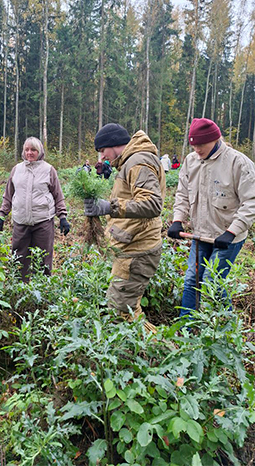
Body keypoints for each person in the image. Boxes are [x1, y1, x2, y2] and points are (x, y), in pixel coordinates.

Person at [167, 118, 255, 317]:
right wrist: (177, 219)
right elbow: (182, 194)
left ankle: (226, 327)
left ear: (215, 139)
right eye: (193, 145)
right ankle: (186, 327)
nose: (197, 149)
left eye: (201, 144)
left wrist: (232, 231)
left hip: (228, 238)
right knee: (191, 279)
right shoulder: (191, 161)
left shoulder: (237, 162)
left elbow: (251, 201)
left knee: (212, 280)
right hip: (200, 235)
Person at [84, 124, 164, 331]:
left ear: (112, 144)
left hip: (138, 249)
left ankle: (162, 354)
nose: (102, 157)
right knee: (120, 307)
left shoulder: (138, 161)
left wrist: (109, 207)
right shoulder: (131, 161)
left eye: (102, 151)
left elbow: (152, 204)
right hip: (130, 246)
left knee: (123, 312)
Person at [0, 137, 70, 282]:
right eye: (27, 149)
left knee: (43, 259)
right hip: (20, 222)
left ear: (39, 151)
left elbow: (58, 196)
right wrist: (1, 215)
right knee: (18, 259)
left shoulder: (49, 170)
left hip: (43, 222)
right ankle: (20, 290)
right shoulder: (16, 170)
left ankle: (42, 291)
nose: (30, 153)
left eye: (33, 150)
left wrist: (62, 217)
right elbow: (8, 196)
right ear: (23, 151)